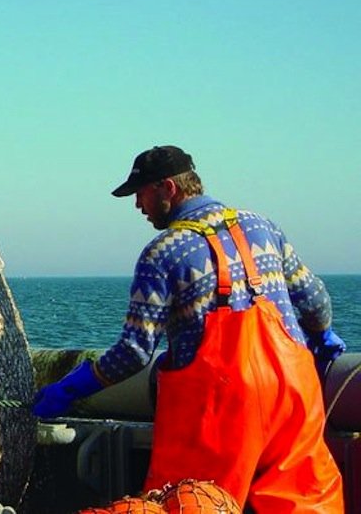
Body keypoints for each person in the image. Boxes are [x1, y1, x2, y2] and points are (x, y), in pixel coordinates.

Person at [33, 146, 345, 512]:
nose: (138, 206)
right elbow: (315, 300)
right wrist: (323, 336)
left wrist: (72, 387)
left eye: (141, 193)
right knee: (304, 500)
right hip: (293, 394)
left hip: (219, 410)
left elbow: (134, 351)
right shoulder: (263, 227)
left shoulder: (162, 253)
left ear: (167, 188)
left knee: (192, 501)